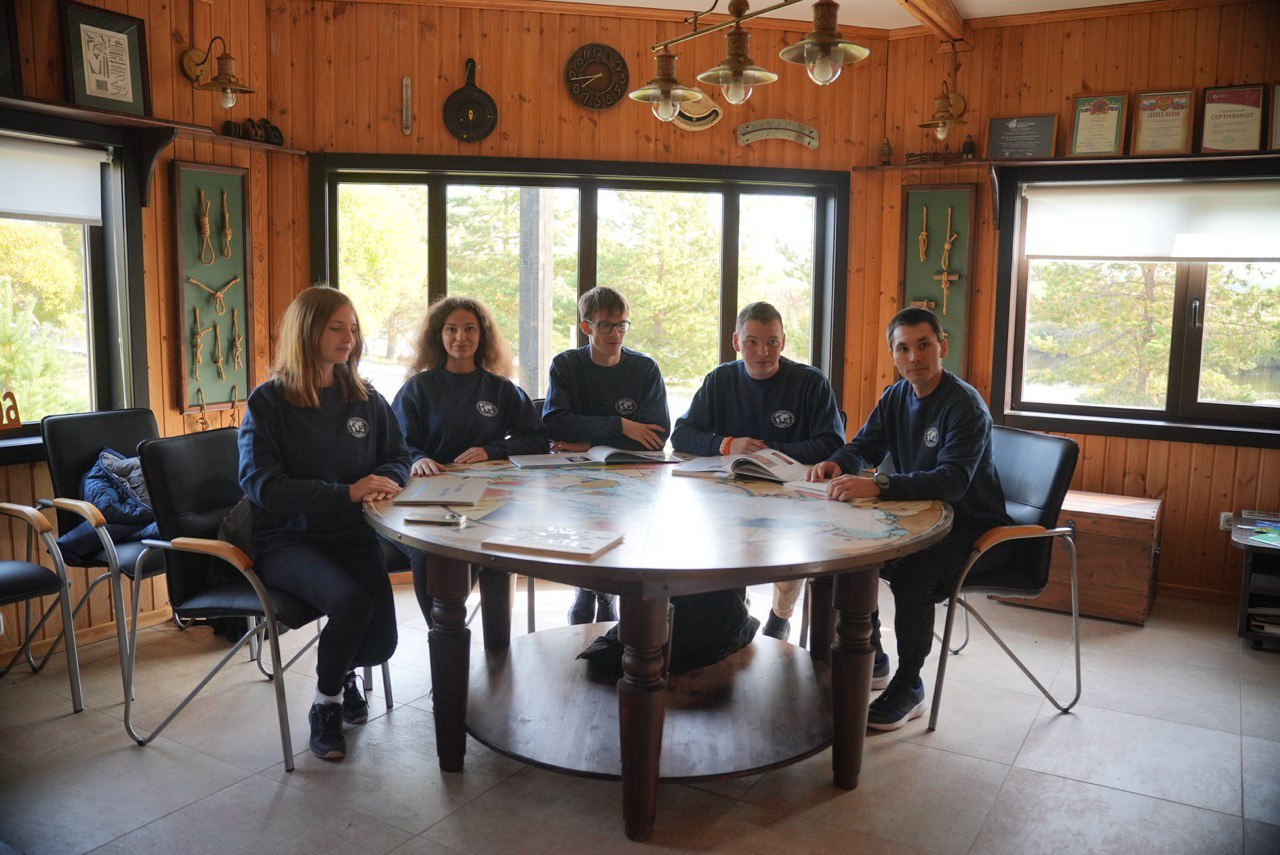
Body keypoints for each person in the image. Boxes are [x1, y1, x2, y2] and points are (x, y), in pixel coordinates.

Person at [807, 307, 1012, 731]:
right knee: (848, 552)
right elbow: (865, 445)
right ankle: (872, 654)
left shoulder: (964, 406)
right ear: (893, 354)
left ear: (942, 347)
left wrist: (878, 485)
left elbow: (952, 482)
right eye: (903, 348)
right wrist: (837, 462)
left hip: (972, 527)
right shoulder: (896, 395)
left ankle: (909, 684)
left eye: (924, 345)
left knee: (910, 571)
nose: (914, 357)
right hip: (917, 516)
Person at [239, 284, 411, 761]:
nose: (348, 338)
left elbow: (398, 455)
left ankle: (344, 672)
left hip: (351, 532)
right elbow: (262, 486)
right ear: (307, 331)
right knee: (353, 604)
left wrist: (387, 481)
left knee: (382, 640)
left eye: (352, 328)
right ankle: (325, 704)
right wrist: (347, 492)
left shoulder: (364, 397)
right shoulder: (269, 402)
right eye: (336, 328)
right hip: (287, 540)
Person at [670, 301, 845, 649]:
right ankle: (731, 614)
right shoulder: (720, 380)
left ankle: (781, 616)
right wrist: (727, 444)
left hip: (793, 497)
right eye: (752, 342)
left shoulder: (810, 382)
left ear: (783, 342)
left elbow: (832, 442)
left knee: (793, 546)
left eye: (772, 342)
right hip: (730, 497)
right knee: (710, 536)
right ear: (737, 342)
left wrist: (767, 452)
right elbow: (682, 434)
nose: (763, 352)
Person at [391, 295, 548, 625]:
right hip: (431, 497)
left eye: (469, 329)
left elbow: (537, 440)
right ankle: (443, 633)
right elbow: (395, 446)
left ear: (482, 335)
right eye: (451, 329)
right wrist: (417, 458)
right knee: (430, 553)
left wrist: (492, 450)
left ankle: (485, 642)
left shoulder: (501, 389)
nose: (460, 337)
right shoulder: (417, 389)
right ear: (439, 335)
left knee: (490, 549)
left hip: (488, 499)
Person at [543, 286, 670, 624]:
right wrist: (622, 425)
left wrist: (588, 441)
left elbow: (656, 437)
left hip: (628, 478)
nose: (615, 333)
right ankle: (587, 588)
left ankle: (607, 590)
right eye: (605, 325)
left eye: (622, 325)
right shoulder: (566, 365)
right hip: (573, 479)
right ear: (586, 327)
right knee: (582, 518)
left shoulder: (645, 368)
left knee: (625, 524)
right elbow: (555, 423)